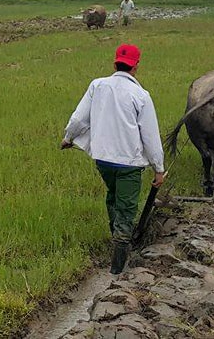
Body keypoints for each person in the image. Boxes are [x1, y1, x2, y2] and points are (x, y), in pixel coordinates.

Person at [60, 44, 165, 274]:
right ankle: (118, 268)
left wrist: (68, 138)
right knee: (126, 209)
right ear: (136, 66)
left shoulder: (97, 86)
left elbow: (79, 118)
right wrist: (159, 168)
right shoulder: (141, 96)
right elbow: (150, 135)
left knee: (113, 197)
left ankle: (117, 238)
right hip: (129, 164)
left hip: (103, 161)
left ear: (114, 63)